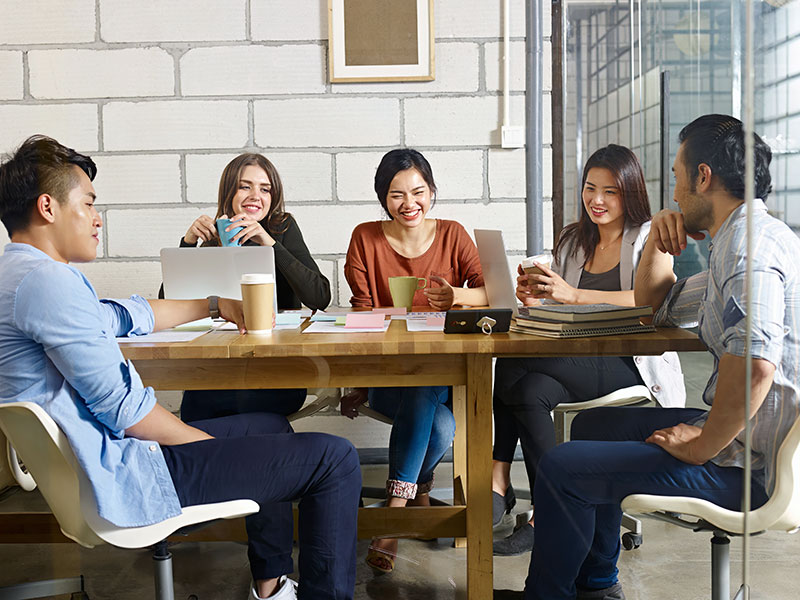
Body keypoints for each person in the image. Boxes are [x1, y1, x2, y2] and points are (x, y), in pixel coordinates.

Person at [0, 136, 360, 600]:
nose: (96, 217)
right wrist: (208, 447)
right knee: (337, 459)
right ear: (48, 207)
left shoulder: (22, 274)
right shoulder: (48, 284)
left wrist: (212, 303)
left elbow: (123, 315)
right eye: (88, 203)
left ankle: (270, 587)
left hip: (107, 458)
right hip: (131, 468)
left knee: (270, 425)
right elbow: (124, 410)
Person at [496, 114, 800, 600]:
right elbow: (655, 308)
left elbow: (756, 365)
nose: (674, 195)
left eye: (678, 178)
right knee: (590, 429)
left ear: (704, 177)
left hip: (750, 470)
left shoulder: (750, 252)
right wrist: (658, 239)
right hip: (748, 440)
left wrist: (702, 445)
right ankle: (597, 586)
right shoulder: (736, 242)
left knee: (561, 465)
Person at [490, 145, 684, 556]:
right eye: (590, 188)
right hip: (577, 358)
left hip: (629, 362)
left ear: (629, 192)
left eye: (610, 191)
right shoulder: (575, 240)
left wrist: (573, 295)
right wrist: (538, 294)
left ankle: (499, 476)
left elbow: (653, 303)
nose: (597, 200)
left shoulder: (650, 237)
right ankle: (548, 509)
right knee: (528, 390)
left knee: (513, 356)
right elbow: (562, 302)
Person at [341, 148, 487, 574]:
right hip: (388, 377)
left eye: (419, 192)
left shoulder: (454, 235)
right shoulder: (365, 238)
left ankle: (393, 512)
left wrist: (456, 296)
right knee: (441, 423)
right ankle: (414, 494)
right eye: (396, 195)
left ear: (433, 191)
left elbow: (491, 292)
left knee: (429, 381)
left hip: (442, 376)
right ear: (382, 198)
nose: (409, 204)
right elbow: (361, 315)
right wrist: (358, 385)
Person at [170, 153, 331, 422]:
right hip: (220, 366)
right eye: (245, 186)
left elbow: (320, 297)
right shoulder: (212, 235)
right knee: (199, 399)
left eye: (265, 189)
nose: (256, 195)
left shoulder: (282, 228)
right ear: (229, 191)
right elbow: (171, 305)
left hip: (277, 367)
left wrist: (268, 242)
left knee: (232, 400)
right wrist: (187, 244)